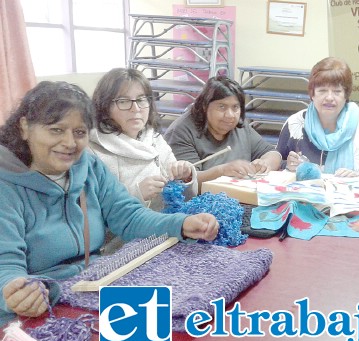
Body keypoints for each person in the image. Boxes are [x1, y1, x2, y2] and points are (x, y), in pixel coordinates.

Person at [0, 81, 219, 327]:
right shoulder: (6, 187)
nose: (70, 143)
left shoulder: (89, 167)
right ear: (25, 128)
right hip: (36, 311)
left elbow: (128, 216)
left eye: (80, 132)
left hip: (89, 290)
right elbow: (5, 265)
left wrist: (182, 224)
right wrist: (15, 292)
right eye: (56, 130)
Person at [90, 68, 196, 211]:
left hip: (166, 225)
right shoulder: (94, 152)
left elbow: (184, 197)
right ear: (105, 106)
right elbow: (93, 215)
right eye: (123, 101)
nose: (136, 108)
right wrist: (136, 194)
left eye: (141, 100)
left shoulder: (153, 138)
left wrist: (185, 176)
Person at [276, 57, 359, 178]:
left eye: (337, 91)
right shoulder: (295, 122)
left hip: (349, 195)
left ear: (346, 95)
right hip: (305, 195)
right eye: (322, 91)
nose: (329, 98)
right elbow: (277, 163)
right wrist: (288, 165)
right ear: (312, 94)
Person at [165, 76, 281, 185]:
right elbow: (189, 181)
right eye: (222, 107)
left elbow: (273, 153)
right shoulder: (181, 132)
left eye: (235, 107)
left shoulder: (238, 126)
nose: (230, 115)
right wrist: (222, 171)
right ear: (205, 106)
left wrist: (264, 164)